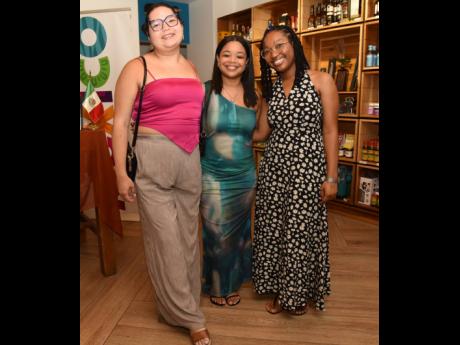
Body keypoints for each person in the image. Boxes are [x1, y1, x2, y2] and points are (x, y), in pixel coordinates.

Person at [112, 3, 211, 345]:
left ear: (181, 27)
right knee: (165, 240)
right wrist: (121, 174)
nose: (165, 27)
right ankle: (191, 319)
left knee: (187, 238)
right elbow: (120, 122)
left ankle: (176, 305)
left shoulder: (191, 66)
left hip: (190, 159)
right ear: (148, 34)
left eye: (171, 20)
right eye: (156, 24)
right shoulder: (136, 67)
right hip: (153, 158)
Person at [251, 25, 339, 315]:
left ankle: (297, 294)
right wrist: (225, 127)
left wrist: (331, 176)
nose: (274, 54)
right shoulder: (270, 90)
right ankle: (281, 290)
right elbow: (262, 132)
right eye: (267, 50)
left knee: (300, 232)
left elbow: (330, 131)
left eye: (279, 45)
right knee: (275, 231)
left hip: (308, 171)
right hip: (274, 170)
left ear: (293, 44)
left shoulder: (321, 81)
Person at [200, 35, 258, 307]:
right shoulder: (204, 91)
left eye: (239, 56)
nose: (232, 60)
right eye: (226, 54)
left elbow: (258, 134)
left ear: (247, 62)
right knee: (215, 233)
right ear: (217, 58)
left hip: (244, 176)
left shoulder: (255, 97)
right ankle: (215, 283)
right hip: (211, 174)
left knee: (238, 235)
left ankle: (231, 283)